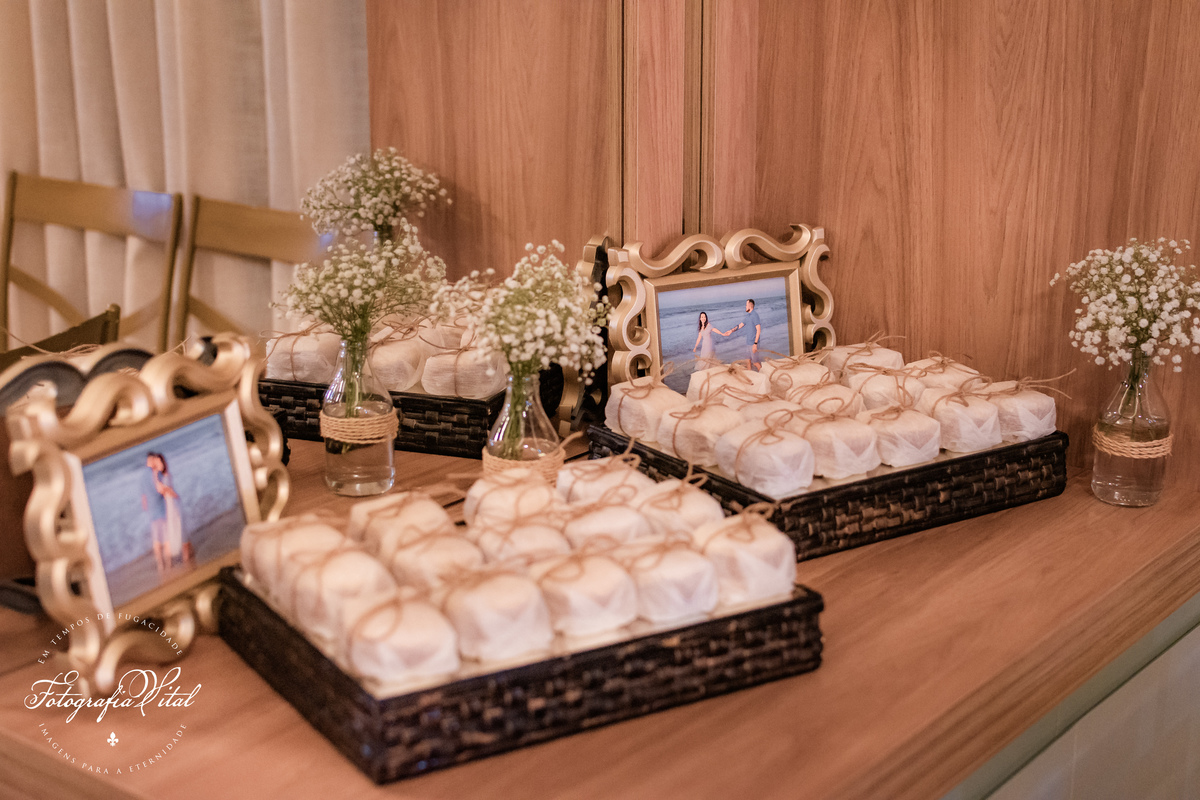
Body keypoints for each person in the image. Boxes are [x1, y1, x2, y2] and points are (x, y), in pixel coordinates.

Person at [141, 453, 169, 573]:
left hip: (152, 513)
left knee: (156, 541)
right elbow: (162, 491)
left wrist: (147, 509)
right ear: (152, 460)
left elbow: (143, 497)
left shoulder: (142, 476)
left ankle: (160, 564)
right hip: (162, 509)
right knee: (166, 539)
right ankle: (168, 564)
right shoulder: (156, 473)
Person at [731, 299, 763, 370]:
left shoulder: (755, 315)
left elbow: (759, 330)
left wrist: (755, 344)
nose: (745, 306)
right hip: (748, 343)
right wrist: (731, 330)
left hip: (753, 343)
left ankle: (765, 376)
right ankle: (750, 377)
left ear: (750, 305)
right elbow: (740, 325)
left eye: (746, 305)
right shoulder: (748, 316)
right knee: (748, 361)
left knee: (755, 362)